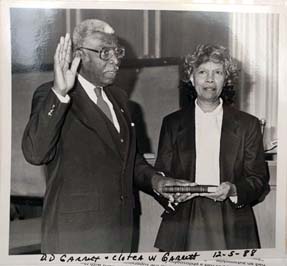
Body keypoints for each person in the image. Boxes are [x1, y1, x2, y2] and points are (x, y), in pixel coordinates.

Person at [22, 19, 181, 254]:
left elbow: (129, 160)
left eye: (117, 52)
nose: (116, 59)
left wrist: (157, 182)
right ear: (79, 55)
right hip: (74, 236)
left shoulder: (120, 99)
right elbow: (35, 152)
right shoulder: (52, 94)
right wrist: (60, 93)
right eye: (105, 52)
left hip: (121, 231)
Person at [153, 44, 270, 251]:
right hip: (184, 220)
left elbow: (259, 180)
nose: (209, 79)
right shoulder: (172, 123)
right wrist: (172, 194)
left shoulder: (247, 124)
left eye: (217, 72)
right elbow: (162, 175)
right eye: (202, 72)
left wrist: (233, 189)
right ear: (191, 77)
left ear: (226, 79)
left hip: (231, 219)